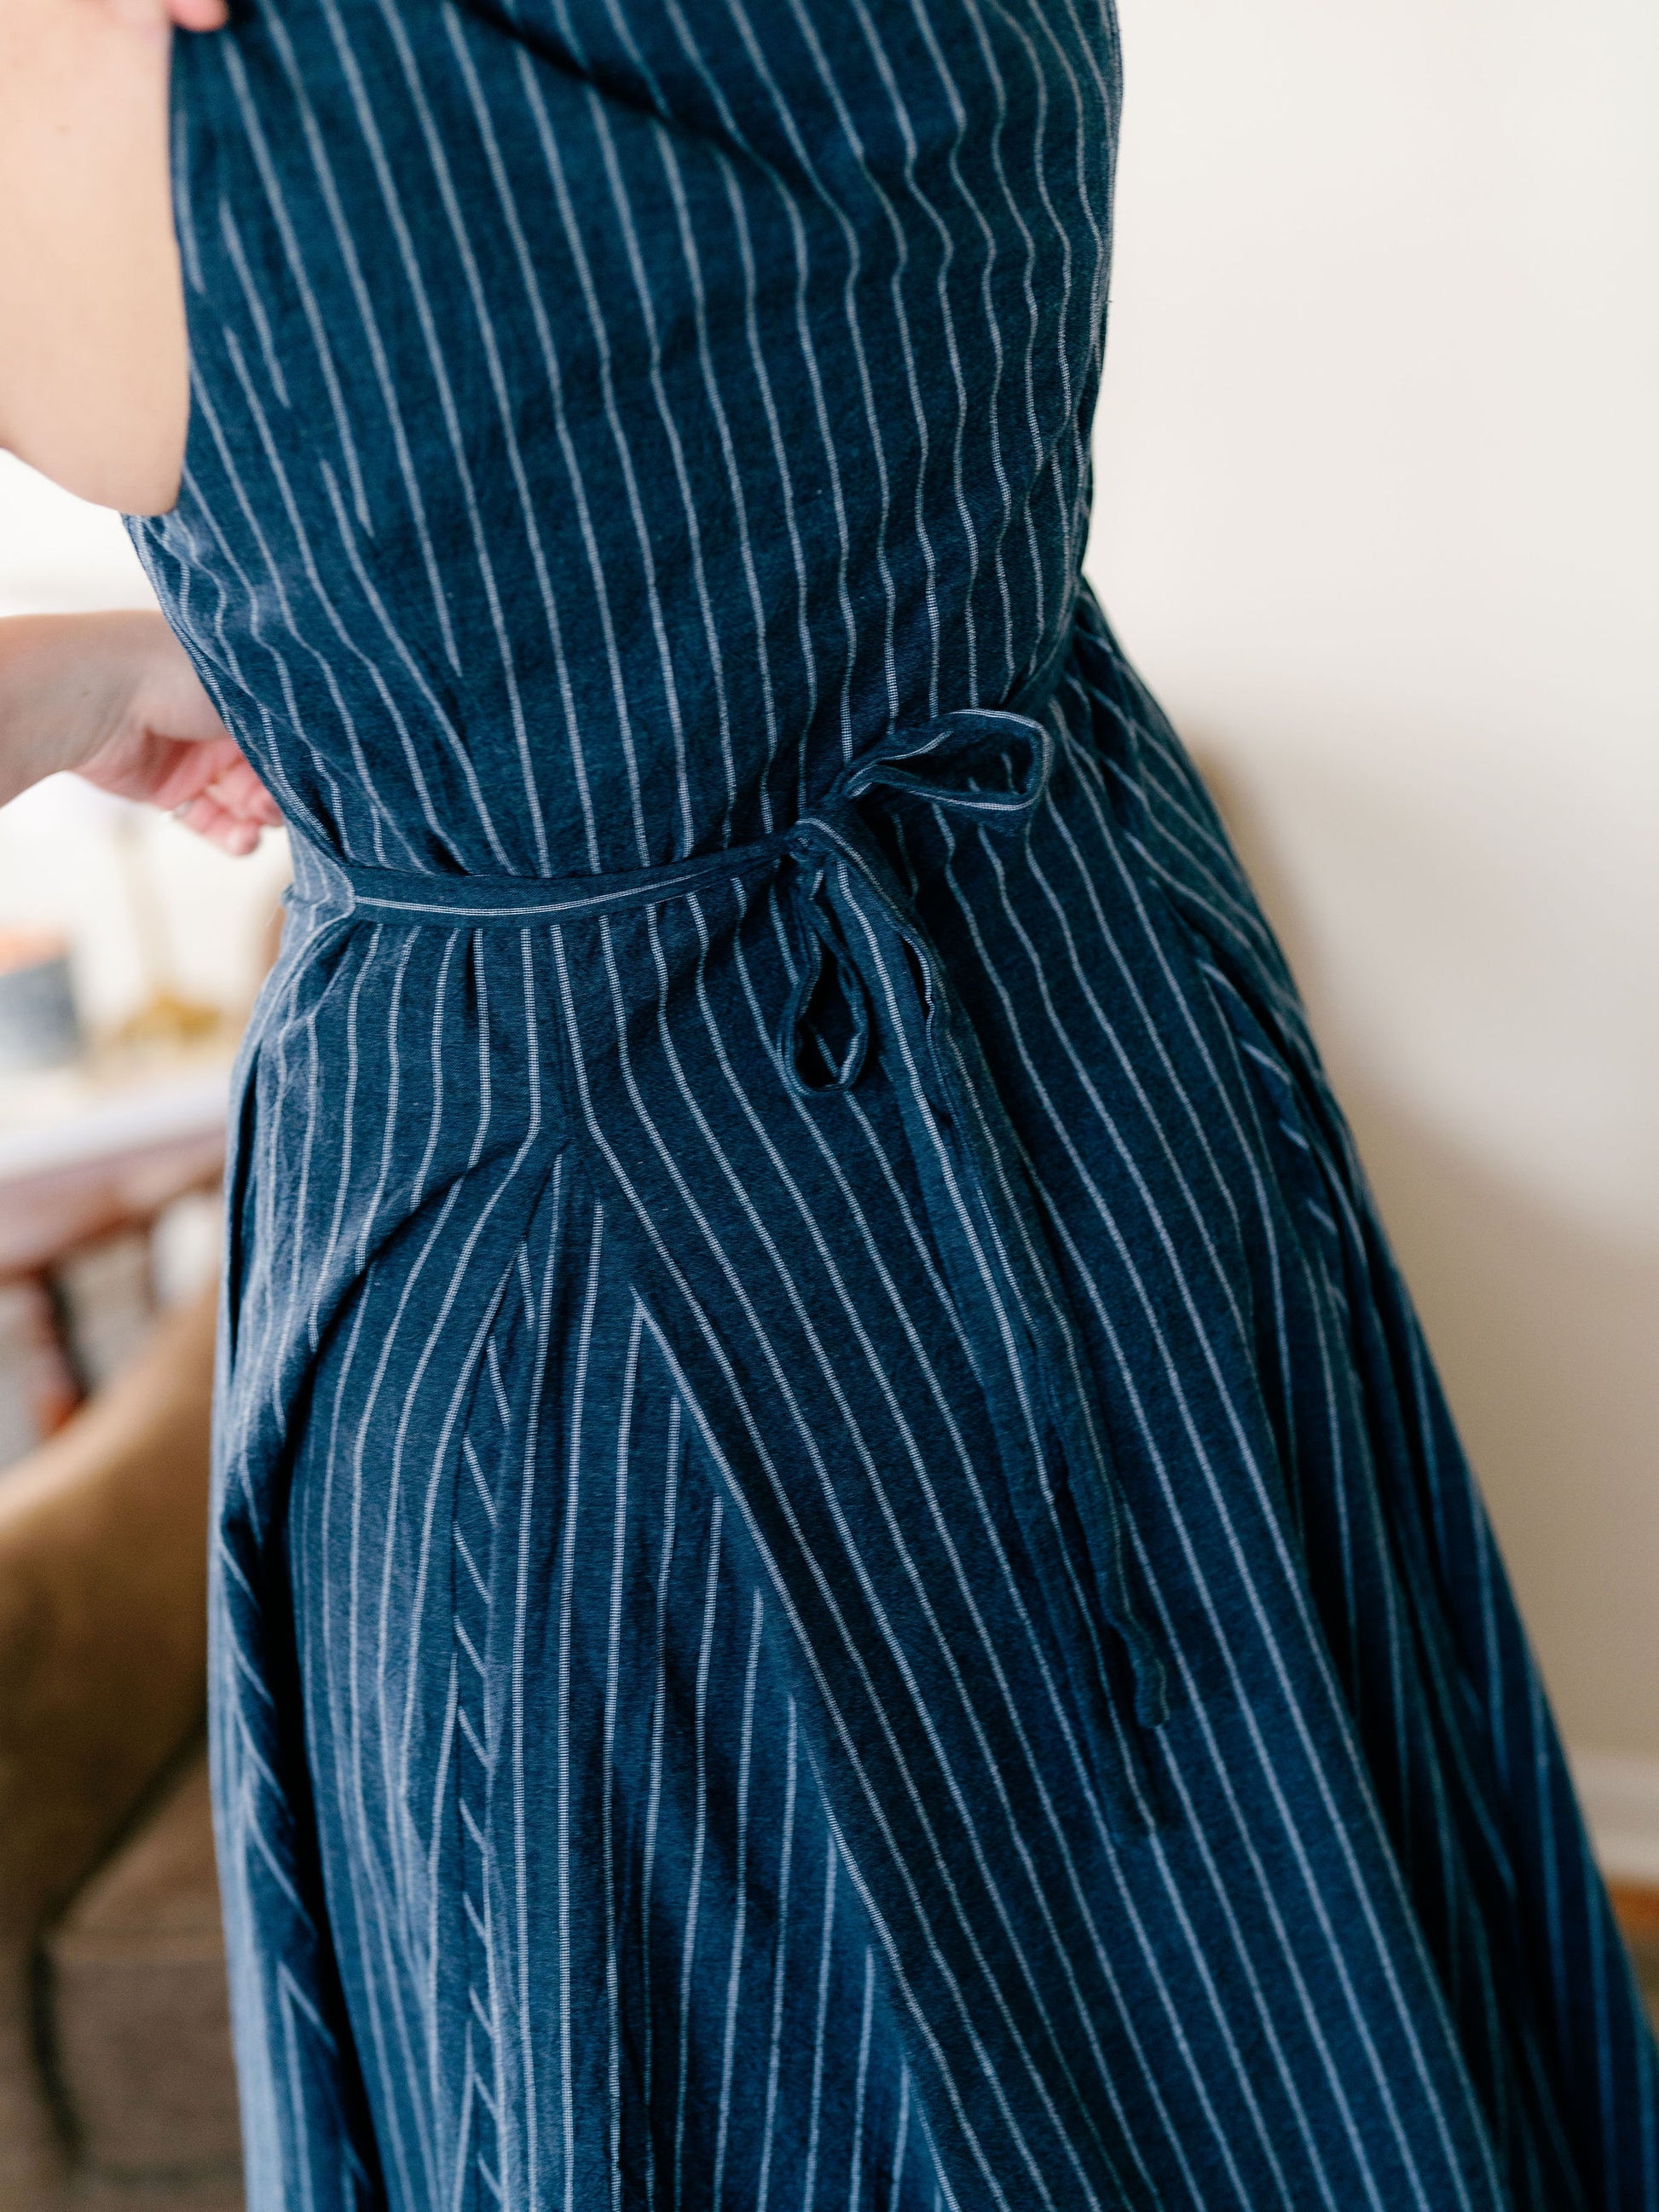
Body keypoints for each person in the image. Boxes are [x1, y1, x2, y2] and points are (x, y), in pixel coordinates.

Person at [3, 0, 1655, 2205]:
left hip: (583, 1278)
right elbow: (700, 458)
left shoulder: (83, 68)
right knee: (1289, 2005)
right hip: (1101, 1057)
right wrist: (307, 657)